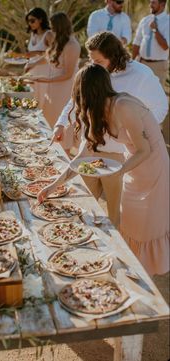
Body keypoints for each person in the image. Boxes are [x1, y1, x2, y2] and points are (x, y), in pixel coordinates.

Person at [38, 64, 169, 276]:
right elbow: (81, 159)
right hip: (132, 168)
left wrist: (119, 171)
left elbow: (145, 150)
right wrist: (51, 187)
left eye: (79, 94)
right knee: (129, 224)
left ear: (90, 91)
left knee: (145, 227)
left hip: (153, 169)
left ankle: (145, 277)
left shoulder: (124, 105)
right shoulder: (98, 113)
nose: (78, 101)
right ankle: (130, 272)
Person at [51, 32, 168, 225]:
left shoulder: (141, 75)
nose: (93, 64)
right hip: (90, 145)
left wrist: (133, 132)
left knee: (116, 214)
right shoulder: (93, 73)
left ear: (113, 57)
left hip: (121, 154)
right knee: (83, 204)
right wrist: (61, 123)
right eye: (91, 59)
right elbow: (77, 100)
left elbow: (161, 107)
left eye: (97, 61)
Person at [26, 12, 81, 127]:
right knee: (48, 117)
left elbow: (68, 74)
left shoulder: (72, 45)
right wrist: (33, 64)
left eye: (53, 26)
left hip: (65, 88)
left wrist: (45, 80)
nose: (51, 29)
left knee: (61, 120)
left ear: (59, 26)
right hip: (53, 86)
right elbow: (48, 57)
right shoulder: (59, 40)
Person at [132, 0, 169, 87]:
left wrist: (155, 30)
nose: (150, 5)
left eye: (153, 3)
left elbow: (165, 46)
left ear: (162, 4)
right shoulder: (145, 20)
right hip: (142, 63)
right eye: (150, 2)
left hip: (158, 65)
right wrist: (132, 61)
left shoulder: (168, 22)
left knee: (156, 95)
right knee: (140, 92)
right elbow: (137, 42)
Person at [24, 7, 53, 107]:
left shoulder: (48, 34)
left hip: (44, 71)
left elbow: (53, 54)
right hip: (31, 71)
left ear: (41, 19)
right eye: (28, 21)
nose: (30, 24)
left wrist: (34, 58)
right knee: (30, 100)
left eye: (32, 21)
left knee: (41, 102)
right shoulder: (33, 34)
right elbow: (33, 53)